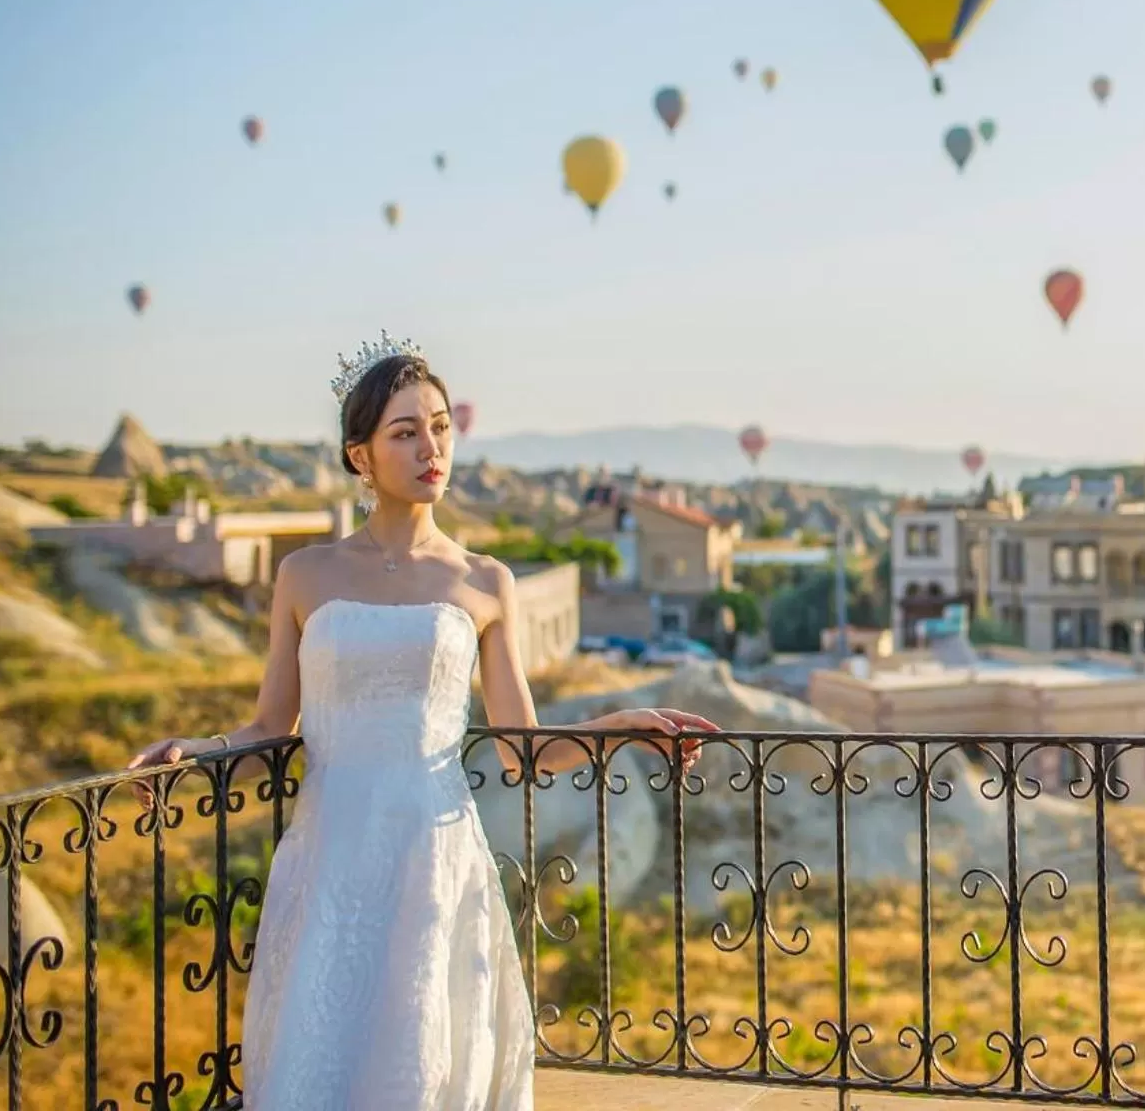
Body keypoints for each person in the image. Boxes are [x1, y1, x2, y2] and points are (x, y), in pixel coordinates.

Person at [126, 333, 718, 1109]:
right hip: (331, 855)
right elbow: (272, 724)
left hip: (433, 860)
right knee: (322, 1062)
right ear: (361, 456)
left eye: (440, 428)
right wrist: (194, 751)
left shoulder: (485, 580)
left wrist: (626, 725)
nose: (431, 448)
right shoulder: (305, 574)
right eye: (405, 432)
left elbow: (524, 753)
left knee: (421, 1063)